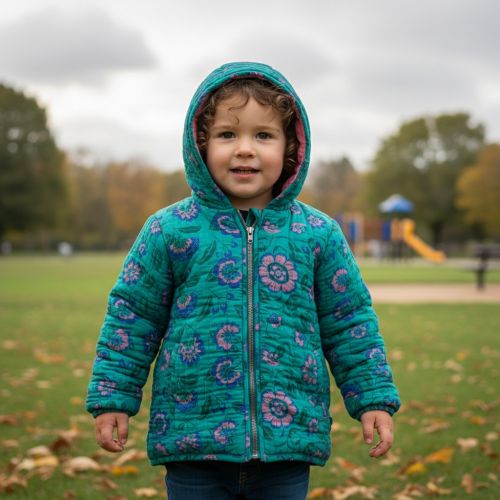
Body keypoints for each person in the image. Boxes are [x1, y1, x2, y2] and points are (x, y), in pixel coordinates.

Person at [86, 62, 400, 500]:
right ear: (201, 144)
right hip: (193, 439)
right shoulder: (169, 230)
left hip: (287, 442)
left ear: (290, 147)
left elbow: (349, 323)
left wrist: (373, 398)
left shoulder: (318, 234)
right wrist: (113, 397)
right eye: (227, 135)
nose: (245, 150)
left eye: (264, 135)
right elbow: (132, 317)